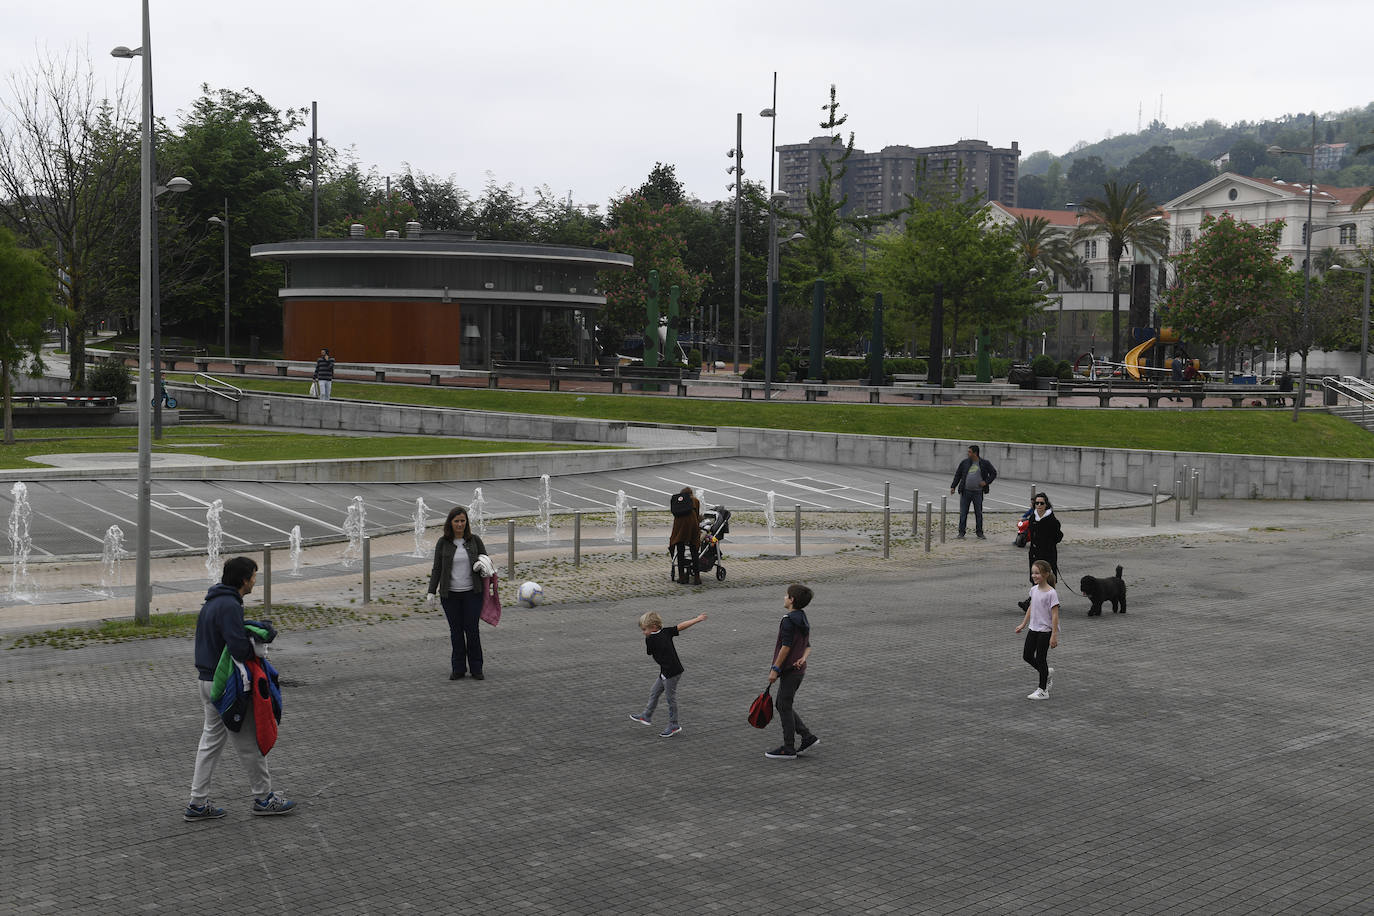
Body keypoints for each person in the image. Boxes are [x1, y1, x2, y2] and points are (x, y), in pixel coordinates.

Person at [184, 556, 296, 820]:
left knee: (210, 742)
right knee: (248, 740)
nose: (255, 581)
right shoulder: (229, 605)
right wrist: (254, 642)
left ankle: (197, 803)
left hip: (206, 680)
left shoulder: (213, 601)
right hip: (226, 684)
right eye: (254, 576)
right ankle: (264, 798)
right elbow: (238, 647)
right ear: (244, 580)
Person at [427, 506, 493, 680]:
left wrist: (482, 566)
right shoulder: (443, 542)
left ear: (467, 522)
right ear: (450, 523)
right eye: (456, 521)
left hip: (472, 593)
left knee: (472, 630)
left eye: (463, 521)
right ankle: (458, 668)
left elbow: (487, 562)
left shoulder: (474, 541)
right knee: (456, 632)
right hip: (450, 595)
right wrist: (431, 591)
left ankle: (476, 668)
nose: (460, 524)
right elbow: (437, 568)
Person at [628, 610, 708, 738]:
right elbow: (680, 626)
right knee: (654, 691)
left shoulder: (651, 639)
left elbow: (681, 626)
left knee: (671, 699)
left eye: (644, 629)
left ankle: (674, 725)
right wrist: (697, 619)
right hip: (665, 671)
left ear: (653, 627)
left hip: (672, 672)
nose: (643, 632)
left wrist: (697, 619)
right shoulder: (665, 632)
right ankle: (646, 716)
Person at [764, 583, 819, 760]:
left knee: (783, 705)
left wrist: (775, 669)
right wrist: (803, 658)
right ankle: (807, 737)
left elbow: (785, 647)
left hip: (789, 671)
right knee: (782, 704)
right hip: (799, 670)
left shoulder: (788, 620)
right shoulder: (802, 618)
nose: (784, 597)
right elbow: (807, 646)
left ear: (792, 599)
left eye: (786, 595)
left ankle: (789, 747)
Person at [1015, 559, 1061, 700]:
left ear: (1046, 574)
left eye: (1037, 573)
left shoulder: (1051, 593)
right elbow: (1031, 607)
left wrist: (1054, 635)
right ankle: (1046, 672)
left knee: (1041, 658)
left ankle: (1043, 690)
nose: (1034, 576)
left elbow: (1054, 615)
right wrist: (1023, 624)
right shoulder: (1033, 590)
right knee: (1027, 656)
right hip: (1033, 628)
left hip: (1045, 631)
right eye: (1033, 573)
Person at [1019, 492, 1063, 609]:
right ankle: (1033, 601)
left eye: (1041, 503)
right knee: (1035, 577)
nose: (1039, 505)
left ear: (1046, 504)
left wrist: (1050, 543)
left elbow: (1059, 536)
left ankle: (1050, 602)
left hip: (1048, 553)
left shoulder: (1052, 520)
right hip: (1034, 553)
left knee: (1048, 577)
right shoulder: (1033, 517)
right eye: (1036, 503)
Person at [950, 445, 997, 540]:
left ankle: (979, 532)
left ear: (975, 453)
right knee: (963, 513)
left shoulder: (984, 463)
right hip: (965, 492)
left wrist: (986, 482)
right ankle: (961, 532)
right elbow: (958, 474)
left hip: (978, 493)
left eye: (970, 452)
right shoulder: (965, 463)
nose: (968, 453)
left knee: (978, 513)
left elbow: (993, 473)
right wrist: (953, 486)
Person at [668, 486, 702, 585]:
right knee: (694, 550)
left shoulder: (678, 501)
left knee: (680, 551)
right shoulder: (695, 500)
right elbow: (696, 515)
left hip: (679, 526)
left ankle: (682, 577)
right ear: (691, 493)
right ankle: (697, 578)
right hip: (692, 526)